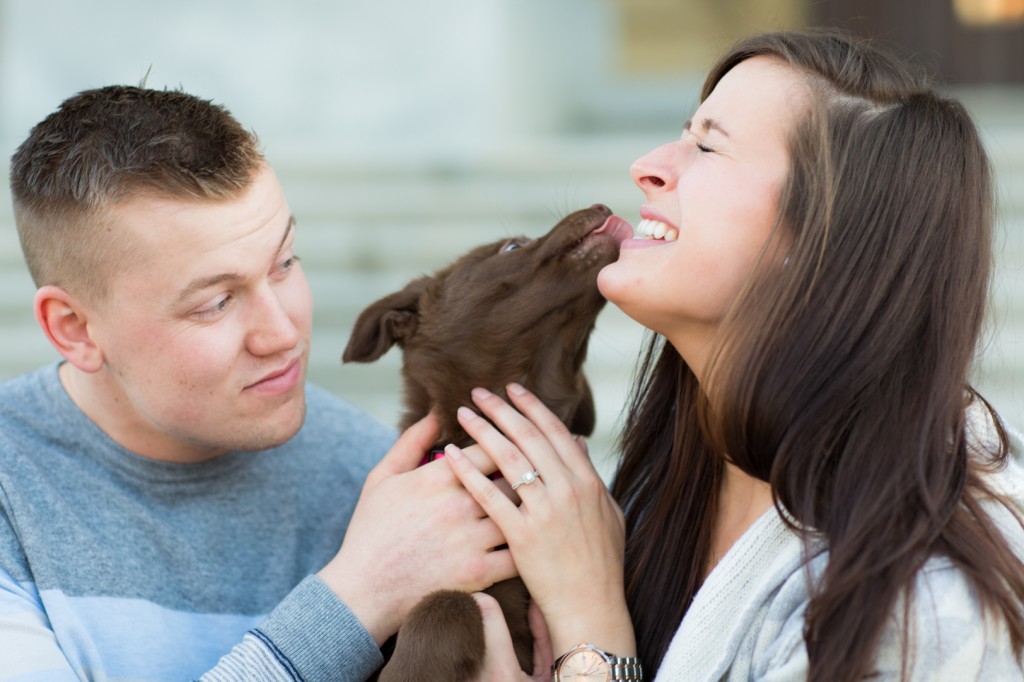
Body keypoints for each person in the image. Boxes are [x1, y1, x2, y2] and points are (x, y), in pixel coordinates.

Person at [443, 29, 1024, 681]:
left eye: (707, 145)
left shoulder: (931, 615)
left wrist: (592, 631)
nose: (649, 165)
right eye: (683, 131)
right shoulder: (670, 487)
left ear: (822, 240)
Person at [0, 86, 516, 680]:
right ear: (75, 329)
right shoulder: (14, 492)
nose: (282, 333)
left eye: (285, 263)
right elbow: (360, 595)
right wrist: (357, 599)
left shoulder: (389, 487)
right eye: (215, 303)